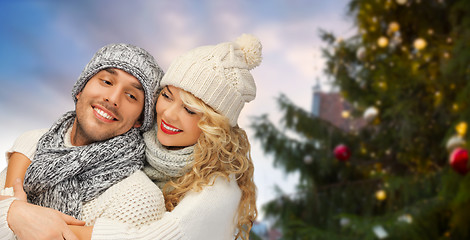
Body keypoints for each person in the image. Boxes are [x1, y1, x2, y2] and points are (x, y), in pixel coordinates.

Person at [3, 33, 262, 240]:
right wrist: (16, 202)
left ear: (214, 127)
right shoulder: (145, 141)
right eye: (167, 96)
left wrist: (33, 220)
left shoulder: (217, 191)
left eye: (190, 109)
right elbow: (45, 139)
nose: (168, 115)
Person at [0, 43, 166, 239]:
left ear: (140, 119)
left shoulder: (139, 198)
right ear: (80, 89)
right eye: (106, 81)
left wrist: (12, 212)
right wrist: (12, 212)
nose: (113, 98)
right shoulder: (33, 144)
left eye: (131, 96)